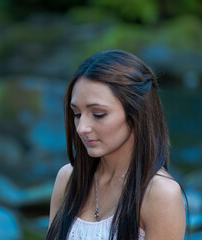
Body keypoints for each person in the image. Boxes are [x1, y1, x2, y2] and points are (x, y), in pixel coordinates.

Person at [47, 50, 187, 240]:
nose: (81, 128)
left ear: (137, 113)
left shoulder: (160, 193)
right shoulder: (68, 178)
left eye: (98, 114)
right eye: (77, 114)